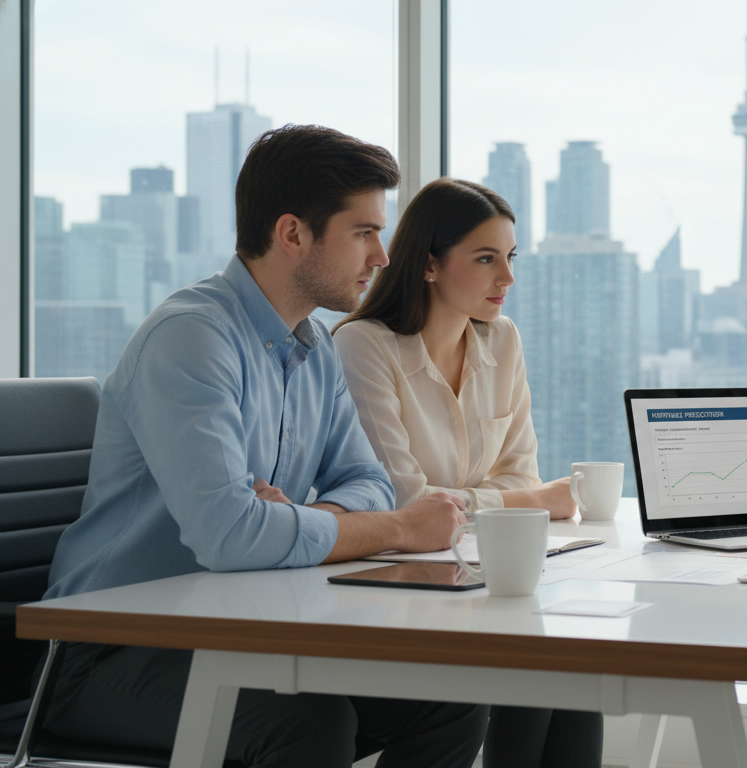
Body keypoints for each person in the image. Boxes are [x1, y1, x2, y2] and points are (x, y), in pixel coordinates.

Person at [42, 125, 488, 768]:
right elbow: (229, 538)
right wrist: (391, 530)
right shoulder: (191, 339)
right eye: (364, 232)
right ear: (292, 234)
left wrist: (298, 522)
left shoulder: (314, 349)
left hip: (236, 627)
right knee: (304, 723)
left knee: (448, 697)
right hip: (106, 653)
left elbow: (368, 480)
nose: (383, 256)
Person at [332, 178, 602, 768]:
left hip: (469, 573)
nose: (506, 279)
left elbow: (518, 471)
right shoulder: (363, 346)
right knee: (535, 668)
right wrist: (517, 502)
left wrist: (494, 500)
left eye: (509, 259)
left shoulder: (501, 340)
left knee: (572, 669)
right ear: (429, 264)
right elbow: (400, 501)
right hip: (393, 590)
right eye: (485, 260)